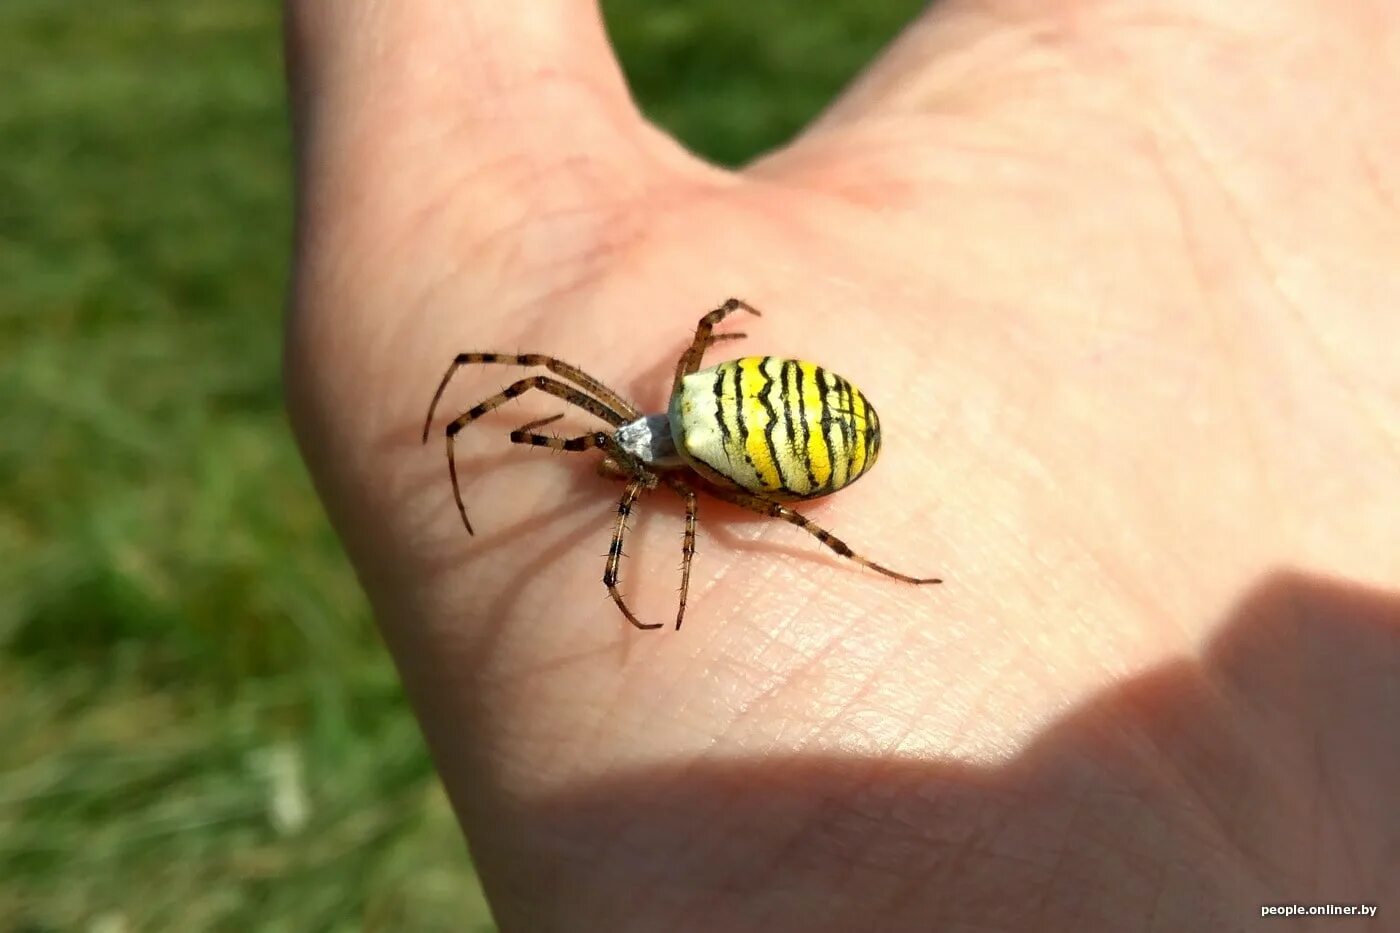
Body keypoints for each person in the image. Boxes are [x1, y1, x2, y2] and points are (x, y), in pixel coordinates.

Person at [283, 2, 1399, 928]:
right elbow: (573, 412)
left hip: (773, 427)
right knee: (573, 407)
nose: (610, 446)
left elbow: (592, 467)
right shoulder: (665, 430)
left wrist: (638, 566)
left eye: (616, 442)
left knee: (608, 423)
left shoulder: (658, 479)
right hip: (753, 414)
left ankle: (858, 556)